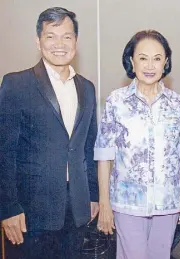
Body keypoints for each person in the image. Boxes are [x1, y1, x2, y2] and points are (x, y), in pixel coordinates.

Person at [0, 7, 99, 259]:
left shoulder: (87, 88)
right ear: (38, 41)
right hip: (29, 213)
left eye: (67, 36)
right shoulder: (16, 84)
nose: (59, 44)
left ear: (76, 41)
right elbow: (4, 151)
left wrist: (93, 195)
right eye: (50, 36)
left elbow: (89, 147)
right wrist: (8, 208)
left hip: (76, 208)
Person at [94, 30, 180, 259]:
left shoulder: (176, 103)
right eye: (143, 57)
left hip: (168, 203)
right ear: (131, 61)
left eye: (157, 58)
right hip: (128, 204)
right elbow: (104, 154)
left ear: (166, 62)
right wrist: (104, 203)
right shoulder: (116, 101)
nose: (150, 65)